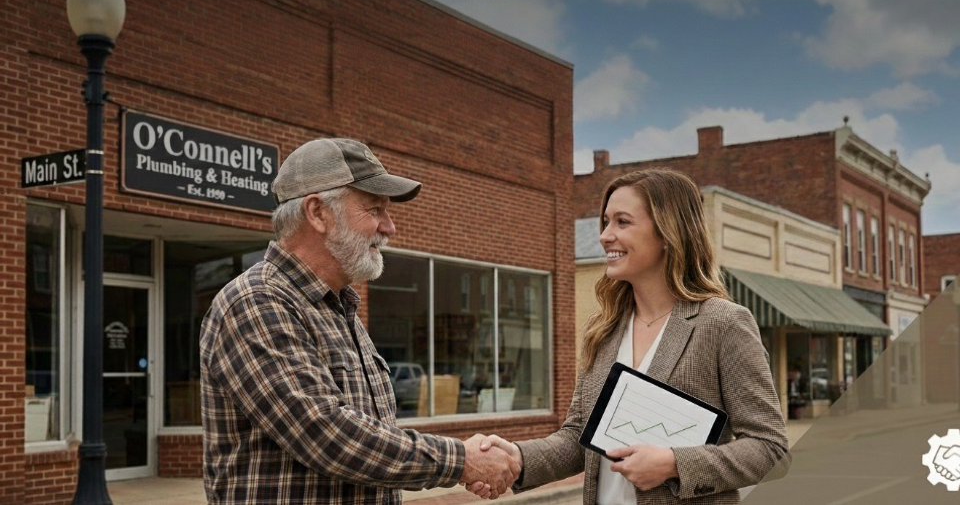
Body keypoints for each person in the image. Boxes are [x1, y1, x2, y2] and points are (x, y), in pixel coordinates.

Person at [200, 137, 518, 504]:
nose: (390, 227)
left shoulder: (339, 307)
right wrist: (460, 460)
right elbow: (325, 434)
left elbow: (368, 436)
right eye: (374, 210)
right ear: (318, 213)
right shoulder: (257, 302)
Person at [475, 169, 790, 503]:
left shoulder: (724, 324)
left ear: (669, 232)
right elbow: (580, 438)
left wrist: (674, 464)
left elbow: (771, 449)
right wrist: (517, 459)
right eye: (606, 222)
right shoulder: (604, 329)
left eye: (622, 222)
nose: (605, 236)